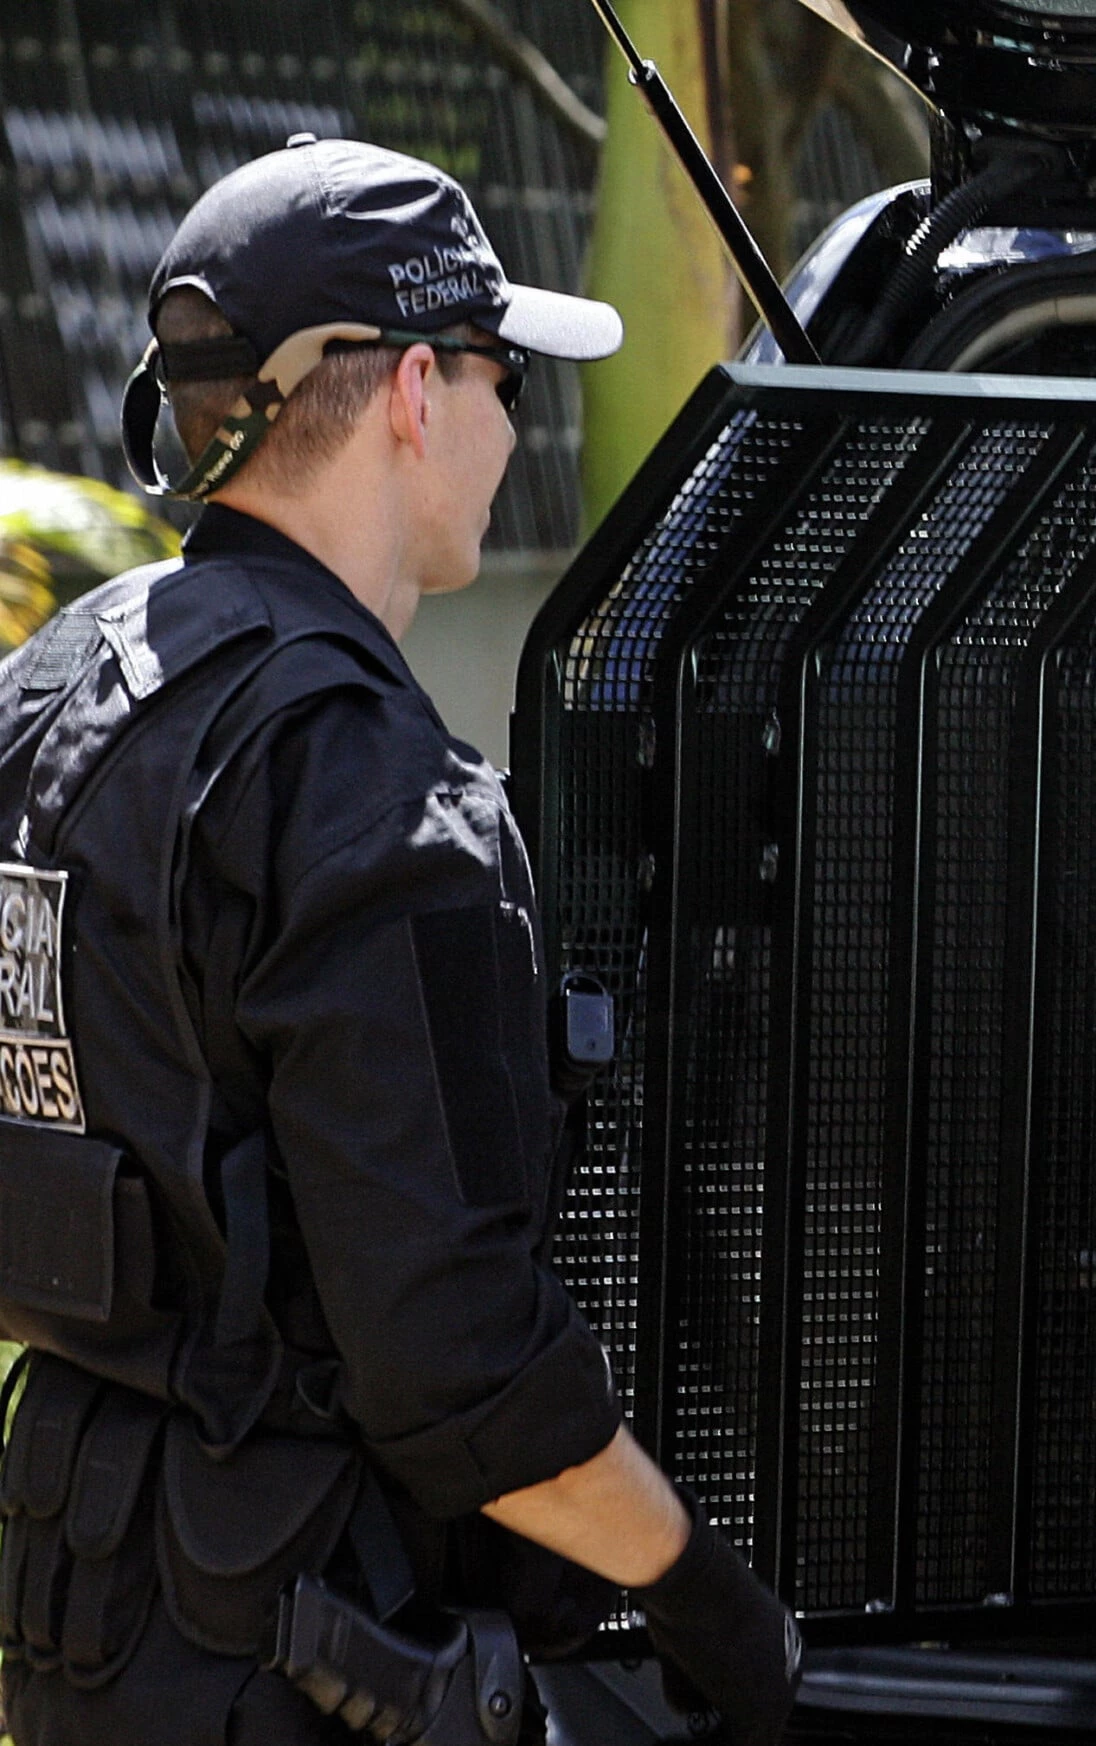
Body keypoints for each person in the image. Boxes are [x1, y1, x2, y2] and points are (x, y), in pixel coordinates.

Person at [0, 137, 798, 1746]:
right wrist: (723, 1614)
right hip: (306, 1654)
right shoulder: (367, 784)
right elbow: (462, 1366)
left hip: (79, 1608)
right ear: (418, 389)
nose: (519, 426)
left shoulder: (55, 691)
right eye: (504, 376)